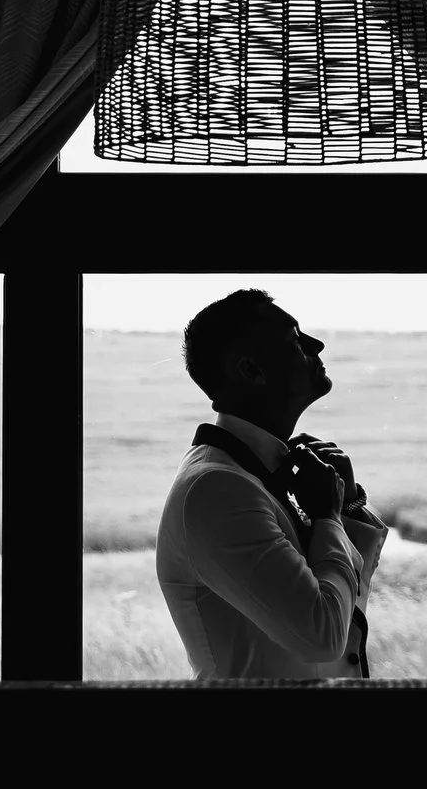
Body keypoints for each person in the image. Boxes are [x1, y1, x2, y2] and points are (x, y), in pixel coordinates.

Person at [155, 288, 387, 678]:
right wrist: (328, 518)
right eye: (295, 340)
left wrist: (346, 506)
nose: (317, 344)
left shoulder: (253, 475)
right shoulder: (216, 491)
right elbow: (323, 636)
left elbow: (346, 606)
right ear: (252, 370)